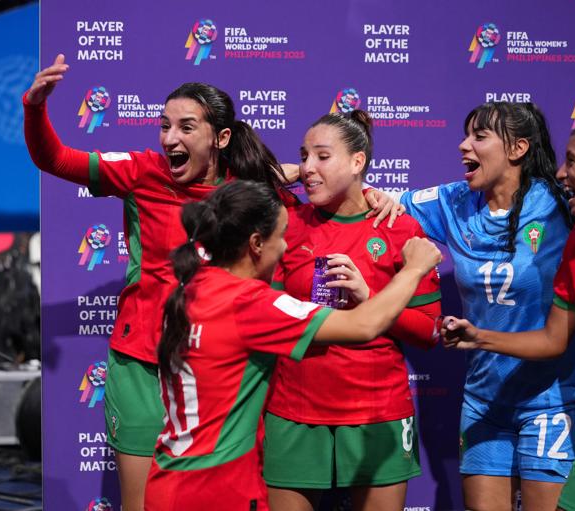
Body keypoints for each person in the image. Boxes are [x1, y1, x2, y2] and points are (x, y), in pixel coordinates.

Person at [24, 55, 408, 511]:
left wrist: (370, 191)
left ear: (220, 137)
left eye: (186, 127)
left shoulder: (245, 187)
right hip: (145, 362)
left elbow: (317, 177)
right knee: (144, 503)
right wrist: (35, 108)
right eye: (164, 126)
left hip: (225, 366)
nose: (170, 139)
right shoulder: (141, 171)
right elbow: (55, 157)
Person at [362, 101, 575, 511]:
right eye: (465, 134)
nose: (462, 146)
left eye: (479, 136)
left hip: (552, 402)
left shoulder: (560, 203)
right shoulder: (453, 202)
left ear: (518, 149)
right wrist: (299, 173)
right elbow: (375, 201)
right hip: (483, 400)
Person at [144, 180, 442, 511]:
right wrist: (413, 269)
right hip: (220, 489)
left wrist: (364, 189)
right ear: (256, 243)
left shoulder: (189, 290)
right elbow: (364, 325)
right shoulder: (251, 306)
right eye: (281, 237)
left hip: (168, 481)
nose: (286, 247)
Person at [263, 110, 442, 511]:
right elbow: (237, 182)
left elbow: (431, 333)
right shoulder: (287, 221)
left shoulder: (400, 229)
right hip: (293, 409)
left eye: (322, 156)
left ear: (358, 161)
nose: (309, 167)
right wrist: (298, 172)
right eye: (303, 155)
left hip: (377, 411)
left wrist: (371, 298)